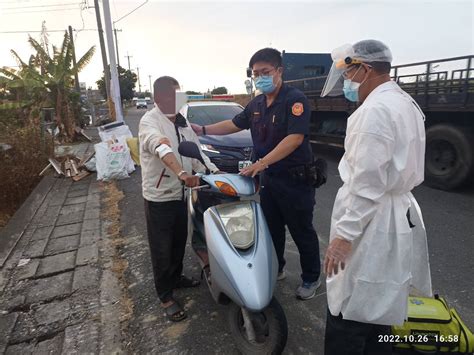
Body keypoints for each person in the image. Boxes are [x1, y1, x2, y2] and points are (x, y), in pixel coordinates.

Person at [321, 40, 433, 354]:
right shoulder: (404, 102)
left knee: (350, 303)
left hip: (371, 222)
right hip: (392, 216)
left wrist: (343, 237)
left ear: (365, 69)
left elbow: (366, 184)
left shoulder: (374, 111)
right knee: (380, 303)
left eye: (348, 72)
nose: (346, 81)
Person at [191, 48, 322, 300]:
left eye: (265, 72)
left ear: (279, 71)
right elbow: (234, 123)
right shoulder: (257, 103)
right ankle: (278, 268)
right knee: (271, 229)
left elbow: (294, 139)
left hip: (295, 180)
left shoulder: (294, 100)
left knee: (301, 230)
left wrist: (261, 163)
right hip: (270, 181)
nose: (260, 77)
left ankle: (311, 278)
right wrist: (203, 128)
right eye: (255, 74)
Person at [139, 76, 219, 322]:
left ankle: (176, 278)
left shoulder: (183, 124)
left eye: (178, 96)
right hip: (159, 195)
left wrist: (215, 174)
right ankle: (165, 296)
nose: (175, 101)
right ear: (158, 99)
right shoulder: (149, 122)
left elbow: (197, 155)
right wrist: (182, 173)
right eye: (170, 97)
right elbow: (160, 147)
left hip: (181, 195)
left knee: (177, 242)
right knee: (161, 249)